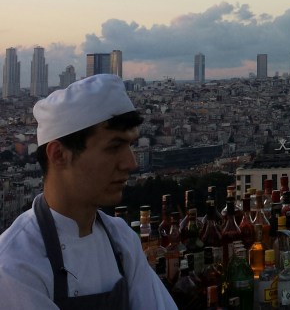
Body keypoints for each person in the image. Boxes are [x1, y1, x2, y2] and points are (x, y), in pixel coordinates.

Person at [0, 74, 177, 309]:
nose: (130, 163)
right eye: (114, 147)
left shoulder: (121, 239)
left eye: (130, 146)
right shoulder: (14, 265)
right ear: (59, 155)